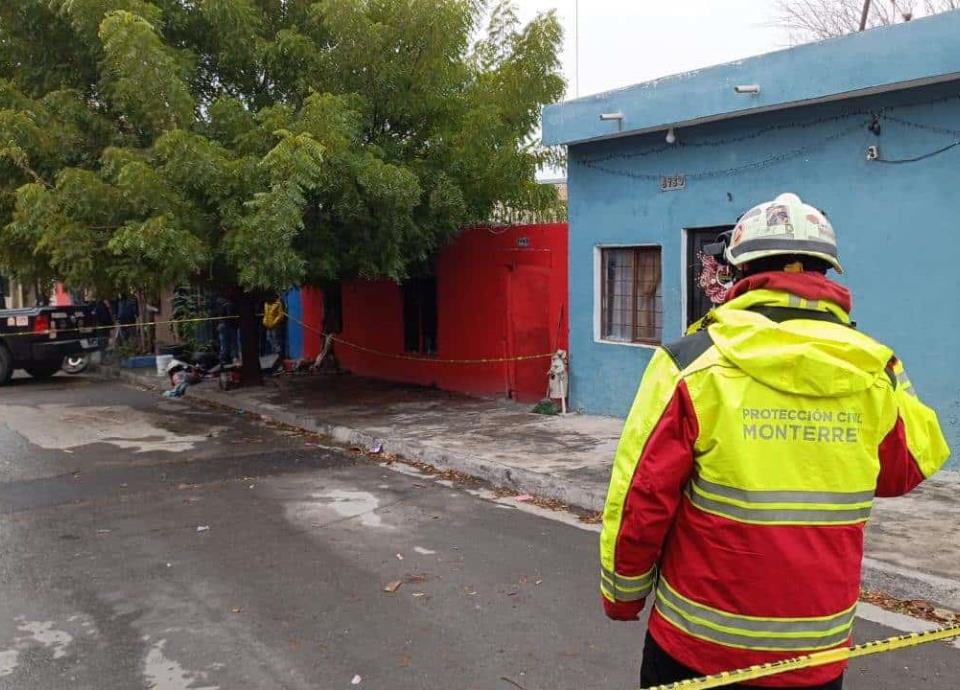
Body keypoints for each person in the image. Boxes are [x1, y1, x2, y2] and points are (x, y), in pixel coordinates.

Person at [600, 193, 950, 689]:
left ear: (738, 271)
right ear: (826, 274)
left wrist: (623, 594)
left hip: (697, 645)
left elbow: (642, 495)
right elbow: (907, 468)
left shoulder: (690, 363)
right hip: (814, 654)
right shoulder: (874, 366)